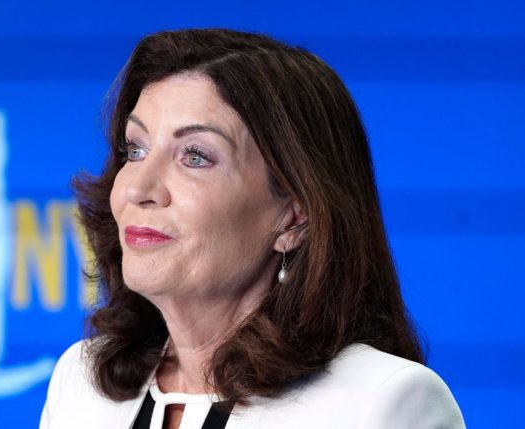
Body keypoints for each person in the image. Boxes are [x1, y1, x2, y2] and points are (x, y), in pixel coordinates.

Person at [39, 29, 465, 429]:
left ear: (294, 216)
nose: (138, 188)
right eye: (136, 149)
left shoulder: (382, 403)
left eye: (195, 156)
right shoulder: (81, 385)